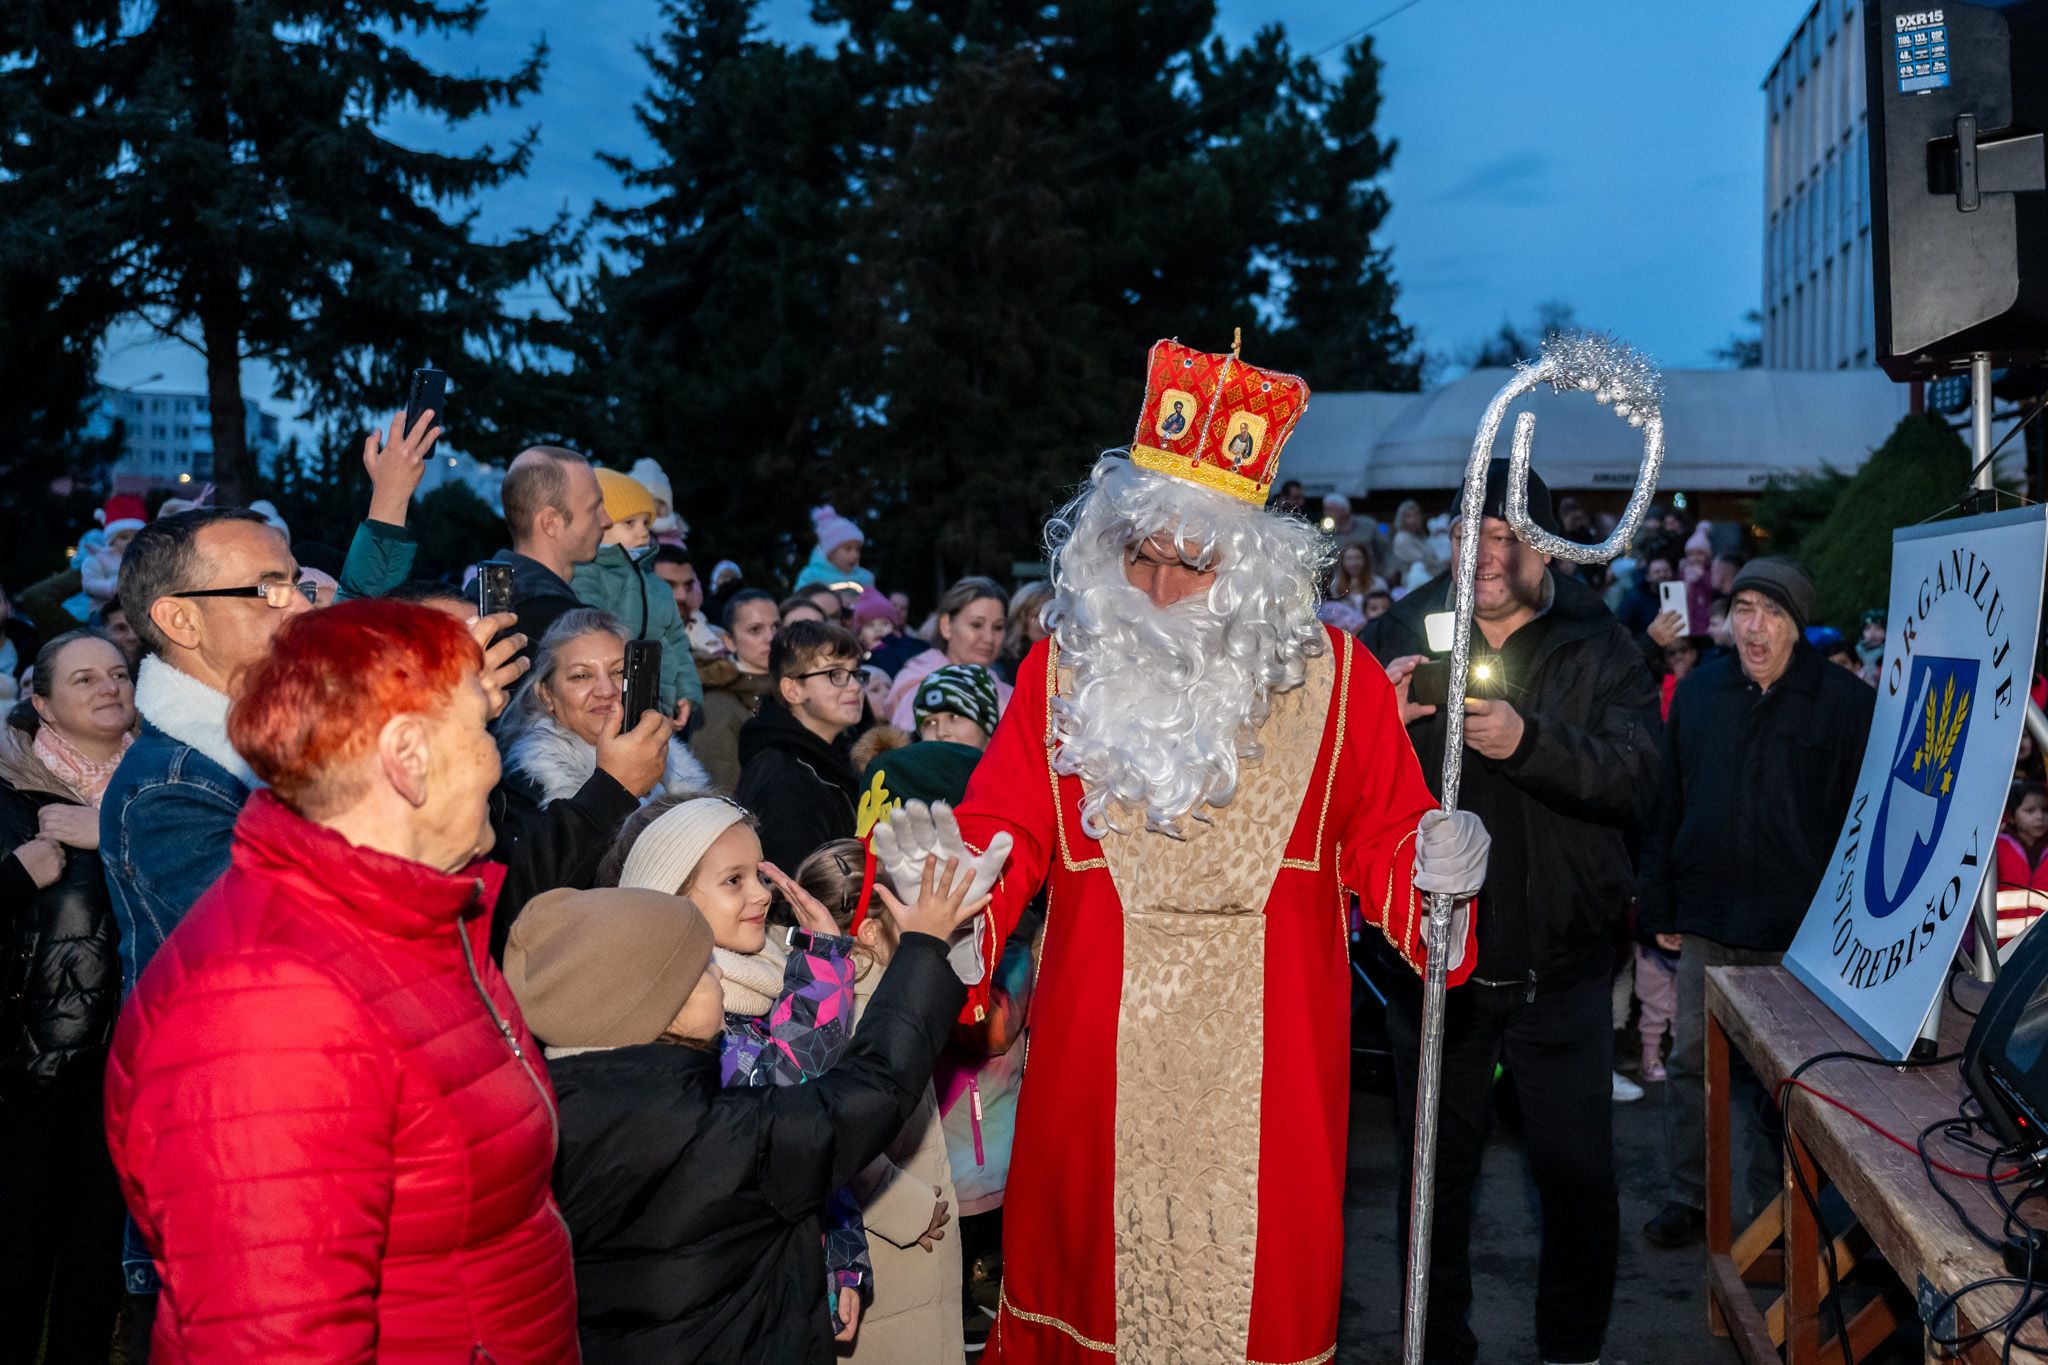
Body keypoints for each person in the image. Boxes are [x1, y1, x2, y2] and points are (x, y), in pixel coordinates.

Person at [862, 337, 1490, 1365]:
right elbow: (1003, 827)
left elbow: (1383, 837)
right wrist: (949, 887)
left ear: (1250, 572)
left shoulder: (1339, 684)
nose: (1154, 588)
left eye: (1190, 563)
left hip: (1272, 1087)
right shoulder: (1061, 673)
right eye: (1136, 556)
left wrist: (1435, 866)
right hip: (1091, 1081)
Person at [103, 600, 579, 1360]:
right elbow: (274, 1338)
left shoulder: (414, 922)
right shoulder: (268, 1008)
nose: (494, 759)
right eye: (476, 728)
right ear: (407, 757)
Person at [1362, 458, 1660, 1365]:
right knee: (1433, 1182)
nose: (1483, 553)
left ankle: (1571, 1347)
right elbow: (1329, 785)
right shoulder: (1396, 632)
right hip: (1433, 971)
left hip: (1559, 970)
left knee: (1577, 1178)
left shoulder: (1600, 643)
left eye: (1503, 535)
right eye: (1468, 532)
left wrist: (1529, 740)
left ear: (1547, 547)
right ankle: (1436, 1346)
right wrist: (1378, 727)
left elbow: (1638, 777)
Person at [504, 856, 980, 1362]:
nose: (717, 975)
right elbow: (871, 1091)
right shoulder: (720, 1133)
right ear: (663, 1003)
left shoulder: (540, 1128)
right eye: (704, 970)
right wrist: (924, 947)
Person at [1638, 557, 1874, 1249]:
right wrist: (1661, 905)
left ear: (1797, 625)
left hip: (1798, 934)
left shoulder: (1844, 702)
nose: (1755, 626)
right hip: (1708, 918)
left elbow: (1864, 827)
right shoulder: (1699, 692)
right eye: (1744, 609)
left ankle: (1780, 1210)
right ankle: (1688, 1195)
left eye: (1771, 612)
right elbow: (1667, 802)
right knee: (1691, 1064)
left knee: (1789, 1079)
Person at [0, 631, 133, 1364]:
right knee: (15, 1264)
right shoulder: (6, 792)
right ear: (43, 703)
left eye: (118, 673)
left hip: (131, 1063)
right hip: (28, 1069)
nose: (109, 687)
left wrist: (111, 832)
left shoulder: (160, 789)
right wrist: (16, 875)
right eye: (84, 679)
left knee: (95, 1265)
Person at [795, 840, 968, 1365]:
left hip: (906, 1231)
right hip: (892, 1241)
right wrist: (909, 1209)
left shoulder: (829, 995)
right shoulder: (859, 1010)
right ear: (870, 932)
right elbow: (832, 1130)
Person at [496, 607, 697, 818]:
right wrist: (616, 787)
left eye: (619, 671)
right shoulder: (525, 789)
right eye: (581, 676)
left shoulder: (674, 765)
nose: (606, 690)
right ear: (547, 694)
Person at [570, 468, 704, 713]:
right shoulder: (586, 575)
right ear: (598, 524)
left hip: (659, 704)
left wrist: (686, 692)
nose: (643, 532)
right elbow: (592, 634)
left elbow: (676, 642)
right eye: (629, 523)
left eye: (645, 523)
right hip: (607, 702)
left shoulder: (657, 585)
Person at [736, 619, 866, 869]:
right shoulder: (784, 776)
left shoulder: (838, 758)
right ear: (792, 690)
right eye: (835, 674)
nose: (855, 686)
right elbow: (796, 880)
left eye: (856, 673)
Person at [485, 444, 614, 665]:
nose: (607, 521)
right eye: (594, 508)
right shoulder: (564, 628)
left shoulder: (481, 600)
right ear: (551, 523)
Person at [859, 664, 1001, 818]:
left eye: (954, 717)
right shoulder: (901, 788)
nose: (941, 732)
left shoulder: (1013, 784)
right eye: (929, 723)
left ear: (988, 726)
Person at [882, 578, 1010, 729]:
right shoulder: (922, 689)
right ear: (946, 626)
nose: (989, 638)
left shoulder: (1009, 694)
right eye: (976, 625)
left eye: (998, 627)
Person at [695, 589, 780, 793]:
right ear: (729, 641)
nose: (770, 638)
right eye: (755, 630)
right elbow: (720, 787)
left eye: (776, 627)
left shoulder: (793, 687)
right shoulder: (717, 704)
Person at [653, 545, 730, 661]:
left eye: (688, 586)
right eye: (668, 586)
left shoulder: (720, 638)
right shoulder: (627, 637)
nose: (682, 596)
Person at [1998, 780, 2048, 946]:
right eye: (2030, 810)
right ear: (2012, 817)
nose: (2040, 816)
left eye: (2045, 810)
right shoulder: (1997, 849)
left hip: (2041, 949)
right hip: (1999, 949)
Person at [795, 504, 877, 593]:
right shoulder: (811, 576)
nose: (855, 554)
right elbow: (800, 599)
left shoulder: (865, 578)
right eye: (848, 549)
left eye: (857, 549)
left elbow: (875, 600)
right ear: (831, 553)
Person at [994, 582, 1053, 685]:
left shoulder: (1067, 661)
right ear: (1020, 620)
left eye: (1053, 615)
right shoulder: (1002, 668)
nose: (1049, 623)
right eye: (1038, 616)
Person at [629, 454, 689, 547]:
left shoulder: (675, 540)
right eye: (650, 502)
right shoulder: (628, 539)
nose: (656, 507)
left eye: (661, 502)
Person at [1388, 497, 1443, 584]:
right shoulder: (1402, 538)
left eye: (1416, 515)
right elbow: (1421, 561)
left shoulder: (1421, 537)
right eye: (1408, 516)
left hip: (1432, 580)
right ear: (1401, 518)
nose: (1413, 519)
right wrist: (1443, 564)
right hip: (1414, 582)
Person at [1326, 542, 1384, 614]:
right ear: (1342, 561)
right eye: (1349, 558)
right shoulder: (1336, 584)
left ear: (1365, 560)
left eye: (1358, 558)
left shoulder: (1377, 583)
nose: (1353, 563)